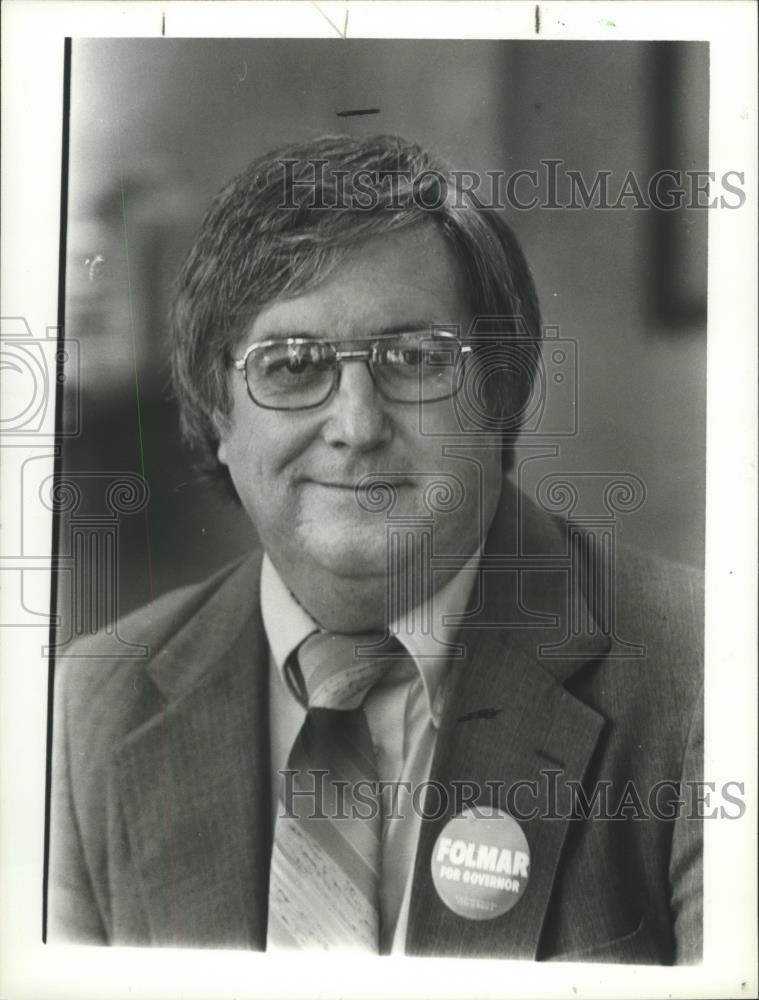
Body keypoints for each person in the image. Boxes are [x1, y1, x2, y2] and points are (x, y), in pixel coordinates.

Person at [48, 133, 703, 962]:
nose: (356, 426)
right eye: (291, 366)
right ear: (218, 416)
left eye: (414, 359)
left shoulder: (704, 671)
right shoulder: (86, 709)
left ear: (499, 393)